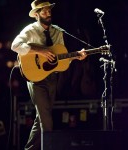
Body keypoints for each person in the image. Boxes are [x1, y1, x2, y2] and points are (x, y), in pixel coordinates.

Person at [11, 0, 87, 149]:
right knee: (47, 121)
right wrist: (40, 51)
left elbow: (60, 56)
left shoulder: (57, 31)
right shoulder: (30, 30)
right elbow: (15, 46)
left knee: (42, 117)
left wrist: (77, 56)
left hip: (51, 78)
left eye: (49, 11)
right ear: (36, 15)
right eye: (44, 12)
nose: (47, 14)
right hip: (35, 78)